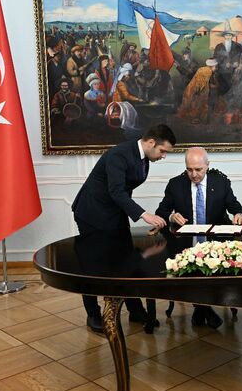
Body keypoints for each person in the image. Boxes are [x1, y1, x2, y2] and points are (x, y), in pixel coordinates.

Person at [72, 124, 175, 332]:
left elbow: (122, 193)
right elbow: (117, 191)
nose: (164, 156)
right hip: (92, 212)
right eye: (163, 151)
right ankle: (93, 315)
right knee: (92, 265)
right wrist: (144, 215)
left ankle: (135, 310)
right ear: (151, 142)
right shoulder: (118, 154)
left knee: (127, 260)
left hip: (114, 212)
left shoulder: (144, 158)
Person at [155, 147, 242, 329]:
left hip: (215, 242)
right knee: (189, 266)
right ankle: (205, 310)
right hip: (186, 243)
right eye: (189, 169)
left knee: (212, 266)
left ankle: (200, 309)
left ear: (207, 165)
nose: (194, 174)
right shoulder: (175, 184)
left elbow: (236, 207)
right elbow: (161, 211)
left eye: (198, 169)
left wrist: (239, 214)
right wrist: (172, 216)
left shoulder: (221, 183)